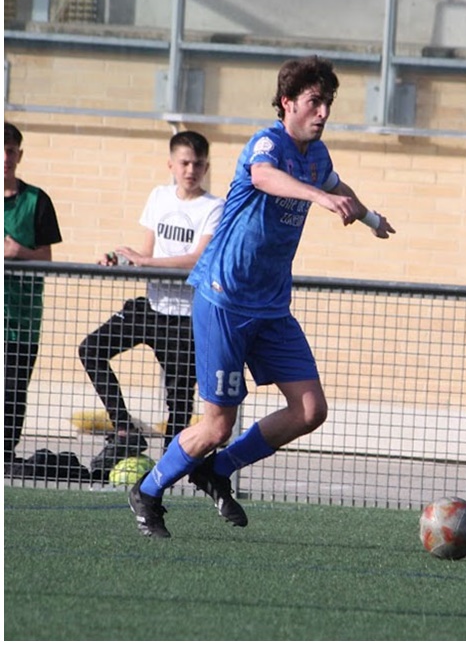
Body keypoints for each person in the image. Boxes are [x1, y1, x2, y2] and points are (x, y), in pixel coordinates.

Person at [128, 55, 395, 537]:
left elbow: (336, 186)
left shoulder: (318, 156)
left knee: (310, 410)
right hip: (224, 298)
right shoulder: (266, 143)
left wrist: (370, 218)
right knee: (216, 424)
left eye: (328, 103)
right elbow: (264, 178)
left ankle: (219, 469)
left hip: (271, 306)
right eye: (315, 102)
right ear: (288, 102)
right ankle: (148, 490)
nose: (323, 113)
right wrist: (319, 198)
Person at [80, 131, 224, 477]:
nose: (191, 170)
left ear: (206, 167)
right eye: (185, 163)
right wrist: (121, 258)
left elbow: (196, 260)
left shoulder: (213, 207)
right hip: (151, 308)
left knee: (178, 403)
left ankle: (167, 475)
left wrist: (144, 262)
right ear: (171, 165)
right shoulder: (159, 197)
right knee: (92, 348)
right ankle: (125, 429)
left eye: (198, 164)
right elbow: (146, 253)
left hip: (186, 318)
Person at [4, 122, 64, 471]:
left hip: (20, 320)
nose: (5, 157)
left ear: (19, 155)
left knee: (12, 390)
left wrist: (17, 252)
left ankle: (5, 452)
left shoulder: (36, 200)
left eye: (10, 150)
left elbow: (46, 257)